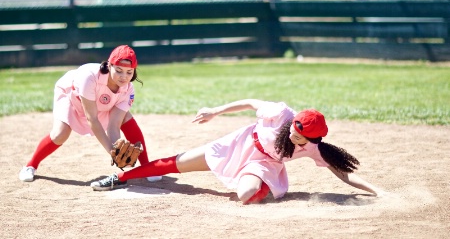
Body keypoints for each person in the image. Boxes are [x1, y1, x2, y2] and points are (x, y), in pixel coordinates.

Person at [90, 99, 386, 204]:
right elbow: (248, 102)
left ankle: (264, 189)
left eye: (301, 134)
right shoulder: (281, 113)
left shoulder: (314, 148)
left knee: (245, 195)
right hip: (237, 145)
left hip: (263, 165)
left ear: (314, 138)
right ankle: (120, 177)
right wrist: (215, 112)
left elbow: (345, 176)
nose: (294, 132)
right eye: (295, 127)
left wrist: (377, 192)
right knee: (174, 163)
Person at [19, 45, 162, 183]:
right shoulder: (90, 77)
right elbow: (92, 118)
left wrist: (117, 148)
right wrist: (112, 152)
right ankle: (30, 165)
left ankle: (147, 168)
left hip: (100, 104)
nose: (123, 77)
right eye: (118, 70)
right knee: (60, 134)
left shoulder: (128, 90)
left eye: (129, 72)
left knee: (126, 117)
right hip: (72, 96)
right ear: (109, 65)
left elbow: (113, 125)